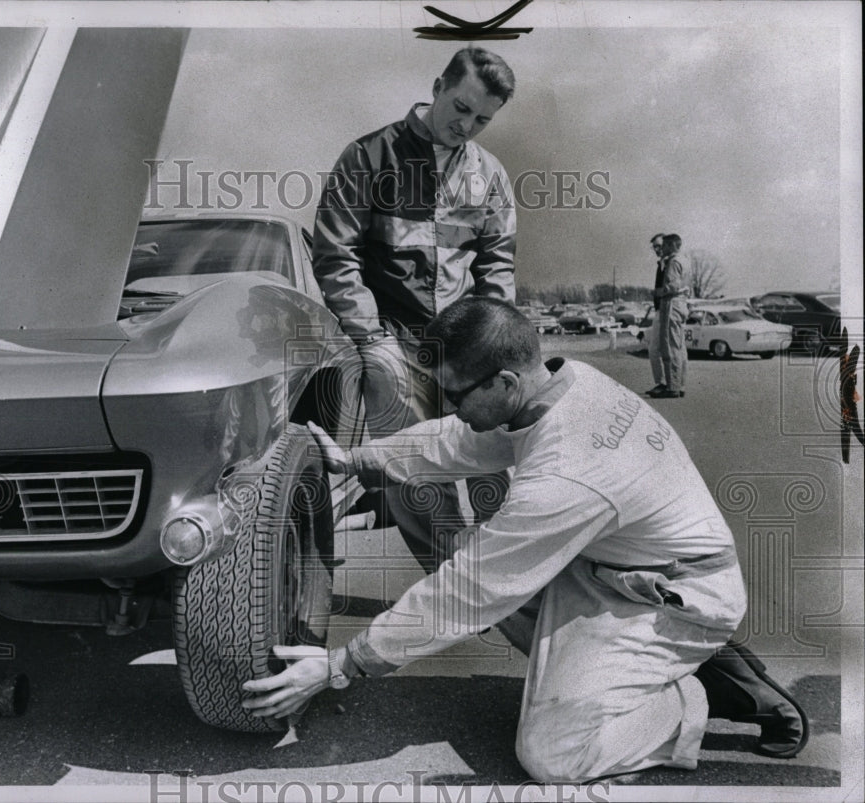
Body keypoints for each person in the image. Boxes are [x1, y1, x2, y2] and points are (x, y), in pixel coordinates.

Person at [243, 297, 808, 782]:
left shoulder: (568, 470)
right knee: (490, 573)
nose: (453, 408)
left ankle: (689, 695)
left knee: (554, 754)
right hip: (616, 570)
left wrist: (343, 664)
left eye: (457, 394)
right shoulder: (565, 383)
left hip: (677, 598)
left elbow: (471, 590)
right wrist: (359, 459)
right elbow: (459, 443)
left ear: (505, 382)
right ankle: (629, 670)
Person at [312, 47, 517, 573]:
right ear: (437, 87)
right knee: (415, 470)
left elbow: (497, 264)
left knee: (494, 456)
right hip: (394, 341)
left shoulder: (490, 175)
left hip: (465, 340)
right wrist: (369, 335)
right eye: (461, 108)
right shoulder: (366, 157)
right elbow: (335, 254)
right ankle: (455, 588)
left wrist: (493, 339)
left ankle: (510, 576)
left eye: (483, 120)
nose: (467, 126)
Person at [651, 233, 690, 398]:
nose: (662, 249)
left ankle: (672, 386)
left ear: (673, 245)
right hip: (682, 304)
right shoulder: (686, 260)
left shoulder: (673, 262)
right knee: (679, 346)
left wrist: (657, 292)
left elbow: (671, 286)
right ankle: (679, 384)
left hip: (672, 304)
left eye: (665, 245)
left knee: (671, 346)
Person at [644, 233, 667, 396]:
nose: (657, 250)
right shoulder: (662, 264)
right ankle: (668, 383)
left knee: (654, 349)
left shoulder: (669, 264)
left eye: (659, 246)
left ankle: (663, 383)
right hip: (662, 310)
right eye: (654, 248)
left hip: (666, 310)